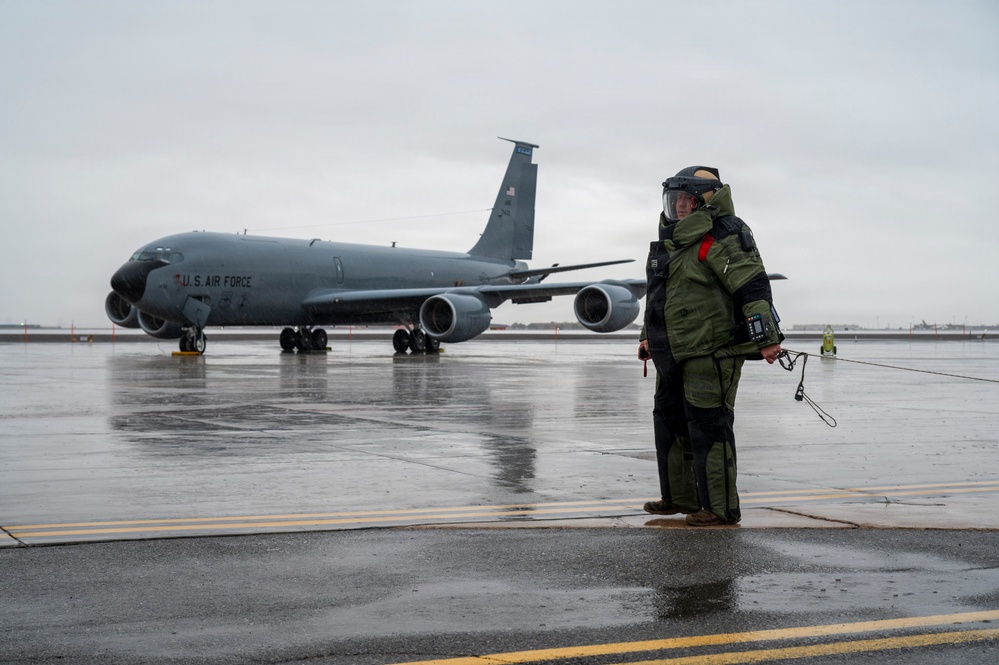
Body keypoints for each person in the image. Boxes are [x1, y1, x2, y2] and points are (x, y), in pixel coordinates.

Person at [638, 166, 783, 526]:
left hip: (712, 351)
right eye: (674, 201)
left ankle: (719, 509)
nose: (679, 208)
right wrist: (646, 337)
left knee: (709, 427)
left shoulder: (722, 237)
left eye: (685, 200)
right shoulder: (670, 244)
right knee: (668, 421)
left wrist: (767, 340)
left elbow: (752, 287)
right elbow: (657, 297)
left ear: (703, 200)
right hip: (672, 352)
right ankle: (680, 498)